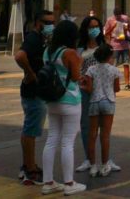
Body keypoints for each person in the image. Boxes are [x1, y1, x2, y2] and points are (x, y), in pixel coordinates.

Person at [40, 19, 86, 195]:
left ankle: (48, 182)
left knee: (52, 139)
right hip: (70, 100)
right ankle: (69, 183)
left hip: (52, 99)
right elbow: (75, 76)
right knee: (68, 142)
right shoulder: (70, 53)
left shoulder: (48, 52)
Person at [15, 10, 54, 186]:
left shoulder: (41, 39)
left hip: (34, 90)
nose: (51, 25)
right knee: (31, 130)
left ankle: (28, 166)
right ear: (39, 23)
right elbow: (20, 55)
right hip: (33, 91)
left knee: (29, 129)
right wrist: (30, 73)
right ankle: (30, 171)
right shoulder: (33, 38)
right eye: (48, 22)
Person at [75, 16, 118, 175]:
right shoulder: (80, 48)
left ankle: (106, 159)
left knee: (104, 129)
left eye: (96, 26)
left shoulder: (104, 45)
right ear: (85, 29)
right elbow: (77, 68)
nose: (94, 29)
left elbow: (111, 68)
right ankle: (89, 159)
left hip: (104, 92)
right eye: (90, 27)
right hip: (86, 91)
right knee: (87, 126)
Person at [82, 44, 121, 178]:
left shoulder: (91, 69)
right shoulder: (114, 70)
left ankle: (93, 166)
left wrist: (82, 84)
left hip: (94, 102)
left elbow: (89, 89)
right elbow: (117, 88)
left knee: (92, 135)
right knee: (105, 135)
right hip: (108, 102)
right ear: (110, 56)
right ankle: (105, 165)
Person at [103, 8, 130, 90]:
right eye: (116, 16)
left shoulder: (125, 18)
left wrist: (128, 28)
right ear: (114, 15)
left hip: (125, 44)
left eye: (119, 16)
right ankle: (112, 83)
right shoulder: (110, 20)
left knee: (126, 64)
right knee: (113, 65)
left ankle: (127, 84)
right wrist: (112, 26)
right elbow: (105, 32)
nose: (118, 17)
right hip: (114, 45)